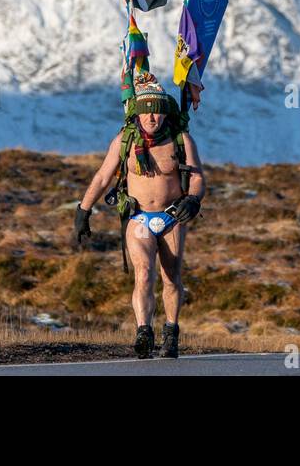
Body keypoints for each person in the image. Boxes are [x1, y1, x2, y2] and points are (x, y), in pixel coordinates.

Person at [73, 74, 205, 358]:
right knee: (143, 274)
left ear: (165, 111)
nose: (152, 117)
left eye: (157, 110)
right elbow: (102, 177)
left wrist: (193, 200)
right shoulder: (125, 141)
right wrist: (83, 211)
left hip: (172, 218)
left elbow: (196, 177)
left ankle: (171, 332)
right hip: (140, 219)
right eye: (146, 110)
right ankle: (144, 331)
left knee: (171, 278)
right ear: (138, 112)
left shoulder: (181, 140)